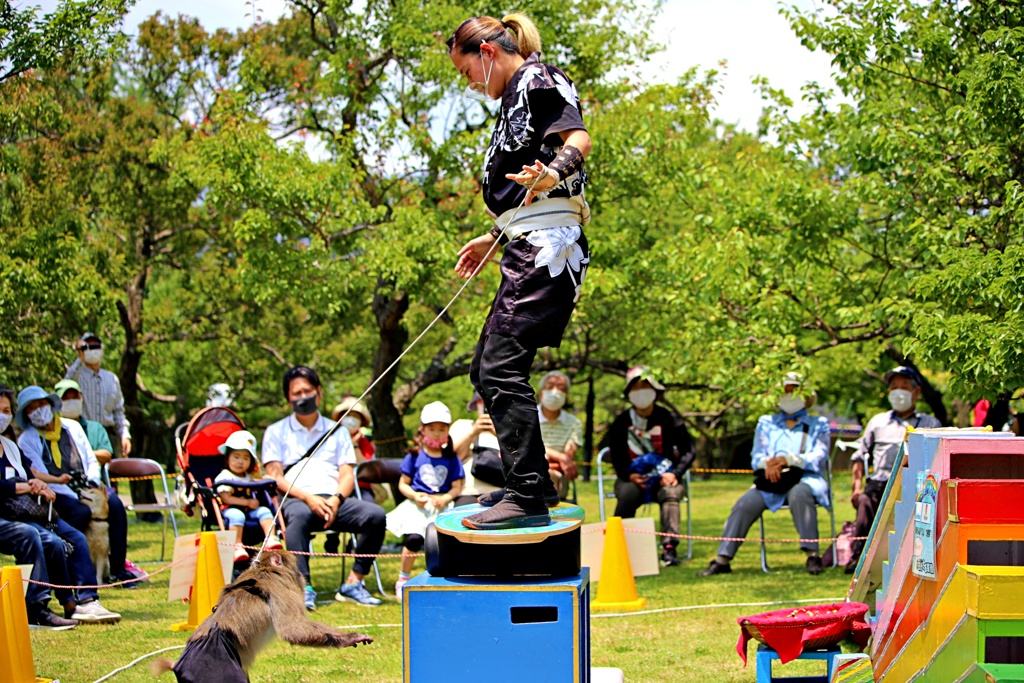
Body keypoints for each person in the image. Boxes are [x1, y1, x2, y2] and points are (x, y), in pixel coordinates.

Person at [448, 13, 592, 529]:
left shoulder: (538, 79)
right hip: (524, 241)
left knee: (499, 368)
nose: (468, 85)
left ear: (487, 53)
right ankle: (527, 484)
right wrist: (493, 236)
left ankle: (528, 493)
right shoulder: (512, 99)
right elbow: (522, 196)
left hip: (547, 248)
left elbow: (577, 139)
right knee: (484, 369)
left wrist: (556, 170)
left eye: (466, 72)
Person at [261, 366, 386, 609]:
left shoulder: (337, 430)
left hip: (334, 500)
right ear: (288, 399)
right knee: (298, 515)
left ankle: (354, 582)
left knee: (375, 515)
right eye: (296, 393)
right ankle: (303, 586)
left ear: (319, 393)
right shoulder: (275, 432)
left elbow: (347, 474)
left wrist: (337, 499)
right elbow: (275, 476)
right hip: (296, 499)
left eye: (308, 391)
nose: (302, 397)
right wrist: (309, 498)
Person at [699, 372, 831, 577]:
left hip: (806, 478)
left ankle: (812, 554)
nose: (789, 395)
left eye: (794, 391)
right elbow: (757, 454)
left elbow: (820, 455)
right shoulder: (766, 422)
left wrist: (790, 460)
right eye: (785, 391)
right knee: (744, 504)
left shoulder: (818, 423)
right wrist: (767, 464)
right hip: (772, 480)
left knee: (799, 494)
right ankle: (722, 559)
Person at [8, 386, 121, 622]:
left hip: (60, 493)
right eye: (31, 408)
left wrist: (45, 483)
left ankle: (89, 599)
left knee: (83, 531)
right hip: (28, 507)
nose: (38, 411)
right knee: (50, 535)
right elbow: (20, 481)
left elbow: (34, 471)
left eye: (6, 410)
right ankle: (41, 606)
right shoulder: (27, 439)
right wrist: (41, 486)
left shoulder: (11, 447)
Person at [848, 366, 942, 572]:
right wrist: (856, 488)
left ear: (916, 392)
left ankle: (918, 557)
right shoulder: (877, 422)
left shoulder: (930, 423)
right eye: (894, 387)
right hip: (880, 482)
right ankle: (857, 558)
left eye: (905, 387)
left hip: (914, 485)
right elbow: (859, 456)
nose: (899, 391)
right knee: (865, 500)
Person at [0, 385, 79, 629]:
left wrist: (37, 484)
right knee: (29, 534)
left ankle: (70, 603)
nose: (4, 415)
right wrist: (22, 488)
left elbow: (26, 475)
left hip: (15, 515)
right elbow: (14, 486)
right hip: (8, 521)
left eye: (6, 410)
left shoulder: (10, 446)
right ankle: (35, 608)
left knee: (54, 542)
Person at [606, 366, 694, 567]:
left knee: (671, 493)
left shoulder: (670, 419)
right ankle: (618, 546)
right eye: (635, 387)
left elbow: (688, 451)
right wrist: (629, 476)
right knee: (628, 493)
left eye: (645, 386)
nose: (640, 391)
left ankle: (669, 547)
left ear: (655, 390)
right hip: (631, 479)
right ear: (628, 393)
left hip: (666, 477)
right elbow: (617, 456)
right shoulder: (621, 422)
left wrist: (675, 473)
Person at [386, 402, 465, 600]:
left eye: (442, 429)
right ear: (422, 430)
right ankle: (403, 579)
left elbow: (457, 486)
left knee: (444, 542)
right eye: (432, 429)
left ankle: (444, 579)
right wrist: (415, 495)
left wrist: (446, 497)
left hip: (442, 506)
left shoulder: (451, 458)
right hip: (418, 506)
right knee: (413, 539)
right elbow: (403, 484)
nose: (437, 433)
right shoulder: (414, 456)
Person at [214, 430, 283, 563]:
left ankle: (271, 539)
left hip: (249, 511)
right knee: (236, 515)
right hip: (230, 509)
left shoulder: (249, 477)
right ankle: (237, 546)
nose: (241, 462)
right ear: (227, 458)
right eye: (236, 457)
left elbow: (258, 481)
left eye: (246, 458)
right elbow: (226, 498)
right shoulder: (225, 476)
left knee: (265, 511)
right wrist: (247, 503)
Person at [64, 333, 131, 458]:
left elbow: (118, 411)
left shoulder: (112, 379)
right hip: (83, 432)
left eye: (96, 346)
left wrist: (124, 435)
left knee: (109, 475)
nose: (92, 350)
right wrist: (80, 358)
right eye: (88, 347)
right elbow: (66, 382)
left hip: (108, 434)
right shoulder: (77, 375)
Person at [450, 392, 504, 506]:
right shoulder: (462, 425)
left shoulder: (509, 430)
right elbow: (451, 460)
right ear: (476, 404)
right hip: (468, 493)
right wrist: (473, 433)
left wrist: (498, 433)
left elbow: (519, 456)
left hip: (503, 492)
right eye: (481, 402)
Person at [536, 371, 582, 500]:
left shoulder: (574, 423)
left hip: (558, 474)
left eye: (560, 388)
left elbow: (569, 457)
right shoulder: (527, 417)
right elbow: (524, 449)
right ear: (541, 393)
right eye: (550, 386)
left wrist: (555, 460)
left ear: (566, 396)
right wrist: (559, 457)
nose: (555, 392)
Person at [55, 379, 113, 466]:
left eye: (75, 397)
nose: (71, 401)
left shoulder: (95, 428)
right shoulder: (53, 430)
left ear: (81, 398)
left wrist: (79, 453)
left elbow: (106, 455)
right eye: (66, 398)